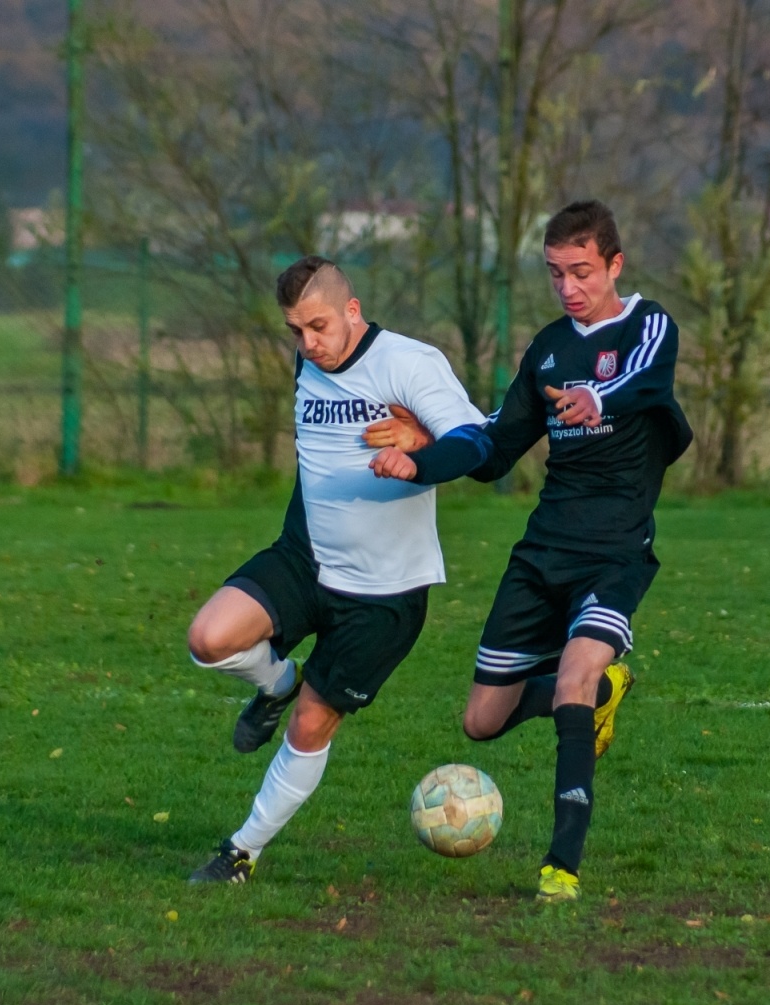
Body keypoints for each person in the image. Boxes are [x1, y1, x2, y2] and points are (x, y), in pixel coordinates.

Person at [368, 200, 689, 903]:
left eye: (581, 272)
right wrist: (425, 452)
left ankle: (561, 866)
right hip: (543, 553)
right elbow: (493, 445)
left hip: (614, 551)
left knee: (573, 675)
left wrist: (596, 399)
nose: (569, 288)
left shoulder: (647, 324)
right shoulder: (547, 349)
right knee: (480, 721)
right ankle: (601, 694)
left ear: (614, 264)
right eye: (555, 274)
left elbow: (643, 379)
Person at [184, 255, 485, 884]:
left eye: (318, 326)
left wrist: (421, 456)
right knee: (208, 640)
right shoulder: (308, 362)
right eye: (295, 330)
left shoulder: (410, 363)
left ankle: (242, 852)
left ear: (353, 311)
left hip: (384, 593)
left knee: (313, 723)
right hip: (305, 559)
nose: (308, 343)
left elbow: (478, 443)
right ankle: (275, 680)